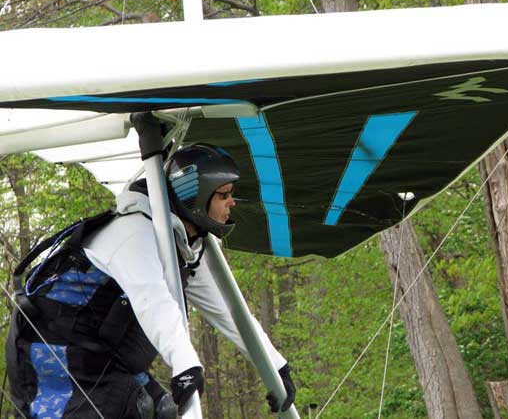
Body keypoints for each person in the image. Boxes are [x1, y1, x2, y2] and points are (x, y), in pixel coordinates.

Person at [6, 143, 295, 418]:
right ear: (194, 196)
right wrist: (186, 365)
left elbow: (229, 311)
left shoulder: (182, 244)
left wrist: (274, 364)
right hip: (56, 358)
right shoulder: (135, 232)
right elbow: (152, 300)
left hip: (107, 358)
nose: (232, 202)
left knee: (160, 409)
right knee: (126, 407)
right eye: (223, 195)